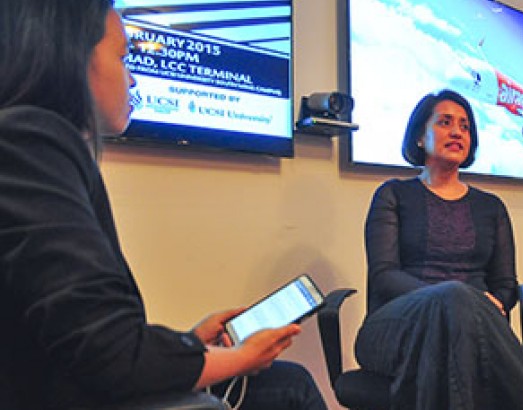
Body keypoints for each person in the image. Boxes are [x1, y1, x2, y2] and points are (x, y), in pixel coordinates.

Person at [0, 1, 325, 409]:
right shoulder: (28, 142)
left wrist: (190, 342)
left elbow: (86, 335)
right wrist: (240, 356)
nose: (133, 79)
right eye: (122, 58)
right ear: (71, 56)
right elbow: (111, 355)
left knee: (287, 381)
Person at [355, 89, 523, 409]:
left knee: (459, 320)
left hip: (472, 328)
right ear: (420, 137)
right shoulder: (393, 195)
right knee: (455, 299)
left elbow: (505, 286)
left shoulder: (491, 207)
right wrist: (447, 297)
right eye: (445, 122)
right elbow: (384, 277)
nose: (457, 132)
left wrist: (482, 303)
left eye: (464, 127)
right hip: (397, 327)